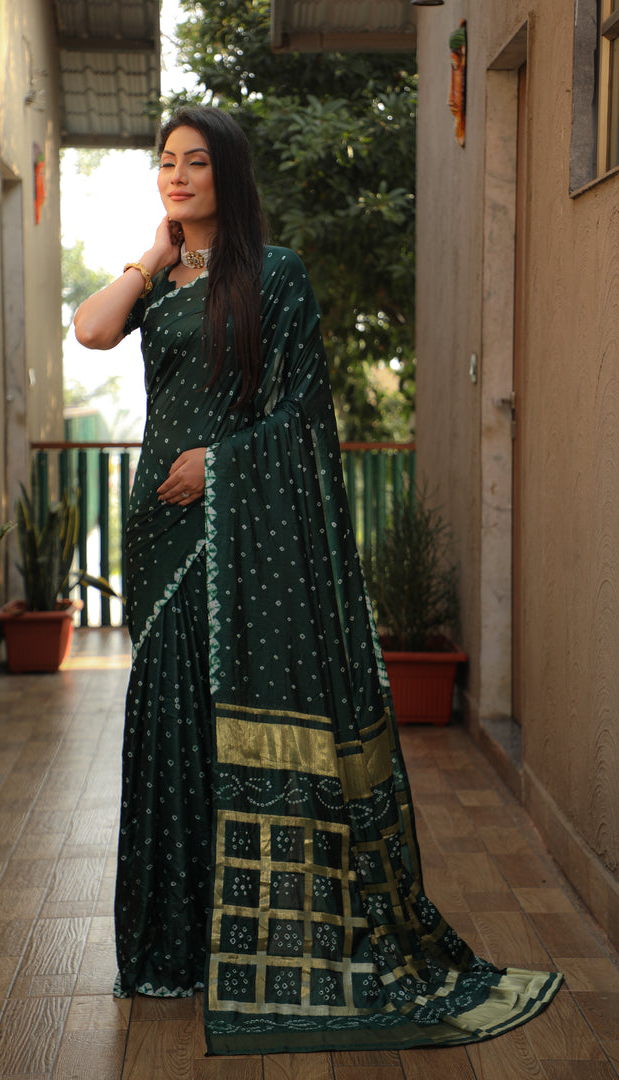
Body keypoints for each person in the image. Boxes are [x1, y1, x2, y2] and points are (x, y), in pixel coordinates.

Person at [74, 105, 561, 1056]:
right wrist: (150, 251)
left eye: (195, 163)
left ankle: (260, 944)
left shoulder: (277, 277)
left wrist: (219, 465)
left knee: (234, 722)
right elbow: (92, 332)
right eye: (165, 164)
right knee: (169, 722)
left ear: (231, 175)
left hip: (236, 530)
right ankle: (171, 950)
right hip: (163, 541)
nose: (176, 176)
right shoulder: (156, 282)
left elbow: (302, 422)